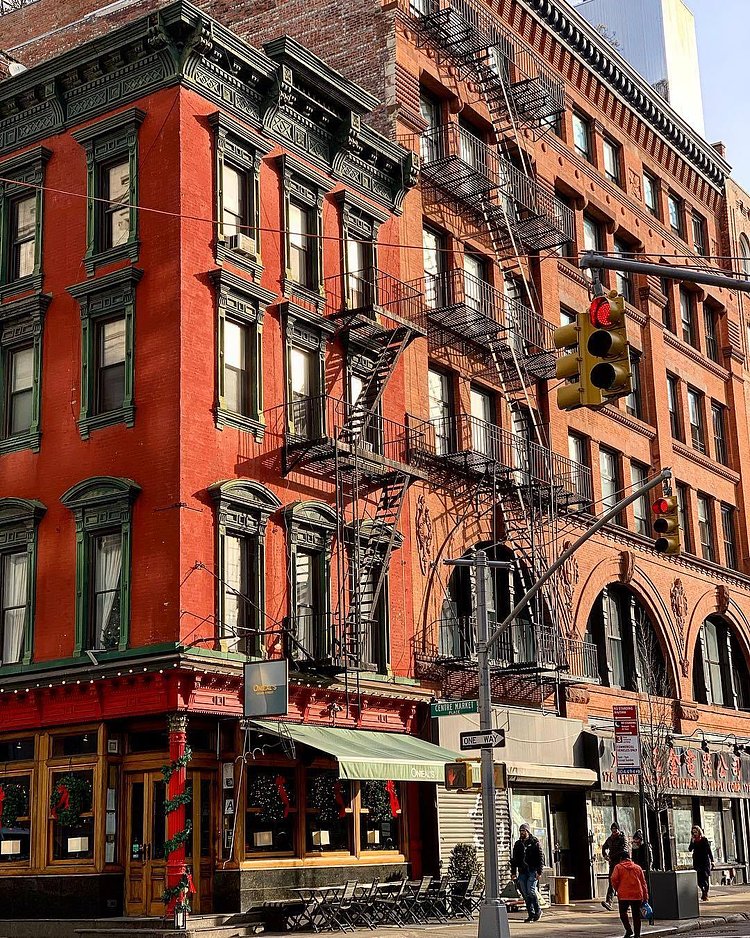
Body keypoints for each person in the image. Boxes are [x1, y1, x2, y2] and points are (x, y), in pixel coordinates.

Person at [511, 823, 545, 922]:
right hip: (522, 871)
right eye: (520, 831)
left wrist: (539, 871)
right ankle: (531, 914)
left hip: (532, 870)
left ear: (528, 831)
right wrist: (513, 872)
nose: (522, 833)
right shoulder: (518, 844)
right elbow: (514, 859)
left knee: (531, 891)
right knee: (525, 893)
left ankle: (538, 911)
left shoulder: (534, 842)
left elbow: (540, 857)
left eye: (523, 831)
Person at [611, 850, 648, 938]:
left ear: (621, 858)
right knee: (636, 916)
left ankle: (628, 930)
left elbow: (613, 879)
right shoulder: (638, 868)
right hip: (637, 894)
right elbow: (643, 883)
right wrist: (645, 896)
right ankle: (637, 935)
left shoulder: (618, 867)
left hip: (624, 894)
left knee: (623, 913)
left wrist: (617, 888)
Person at [602, 822, 630, 911]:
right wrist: (605, 855)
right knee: (612, 881)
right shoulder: (610, 839)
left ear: (618, 830)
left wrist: (611, 856)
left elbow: (623, 850)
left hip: (621, 863)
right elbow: (604, 847)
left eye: (615, 830)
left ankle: (627, 902)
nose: (614, 831)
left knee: (622, 883)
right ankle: (609, 902)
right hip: (612, 864)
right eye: (612, 830)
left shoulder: (622, 838)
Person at [689, 825, 714, 901]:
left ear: (699, 831)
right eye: (693, 832)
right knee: (699, 880)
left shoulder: (704, 839)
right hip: (697, 861)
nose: (694, 834)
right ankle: (703, 891)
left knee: (705, 878)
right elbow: (690, 849)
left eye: (696, 832)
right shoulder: (693, 840)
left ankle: (705, 894)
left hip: (705, 861)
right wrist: (692, 842)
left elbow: (709, 850)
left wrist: (712, 860)